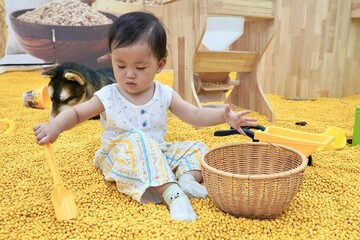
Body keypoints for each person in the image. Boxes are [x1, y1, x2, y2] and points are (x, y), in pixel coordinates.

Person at [33, 11, 257, 221]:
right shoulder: (109, 95)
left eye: (140, 68)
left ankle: (187, 178)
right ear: (111, 59)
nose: (129, 74)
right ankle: (173, 193)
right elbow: (76, 113)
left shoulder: (164, 93)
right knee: (136, 138)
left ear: (160, 65)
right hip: (120, 155)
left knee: (198, 148)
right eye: (120, 66)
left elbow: (196, 116)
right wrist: (55, 127)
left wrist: (225, 117)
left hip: (157, 150)